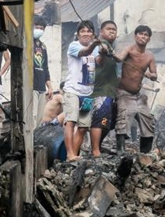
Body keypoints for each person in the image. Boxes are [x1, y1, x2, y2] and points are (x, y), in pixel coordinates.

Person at [113, 25, 158, 154]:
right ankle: (120, 152)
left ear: (149, 39)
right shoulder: (129, 49)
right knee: (124, 117)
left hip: (138, 94)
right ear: (135, 36)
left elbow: (155, 75)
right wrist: (112, 54)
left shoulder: (150, 56)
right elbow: (119, 58)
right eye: (140, 34)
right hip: (123, 92)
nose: (143, 36)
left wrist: (151, 75)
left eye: (146, 35)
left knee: (147, 119)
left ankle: (145, 154)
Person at [62, 20, 101, 161]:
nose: (86, 33)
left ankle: (74, 155)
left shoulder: (95, 48)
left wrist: (104, 49)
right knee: (70, 122)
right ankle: (69, 154)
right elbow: (85, 52)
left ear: (93, 34)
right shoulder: (74, 46)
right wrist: (95, 45)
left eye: (89, 31)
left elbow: (99, 61)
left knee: (84, 127)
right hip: (73, 90)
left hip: (88, 92)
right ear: (78, 34)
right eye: (82, 31)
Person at [90, 20, 120, 157]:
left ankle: (98, 147)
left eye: (114, 29)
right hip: (101, 91)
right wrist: (103, 53)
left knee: (108, 121)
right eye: (108, 28)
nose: (112, 31)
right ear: (101, 32)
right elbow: (98, 60)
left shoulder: (112, 49)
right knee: (99, 119)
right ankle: (95, 150)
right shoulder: (100, 45)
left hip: (110, 92)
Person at [32, 16, 54, 122]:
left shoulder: (43, 47)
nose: (39, 30)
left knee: (40, 118)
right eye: (36, 27)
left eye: (41, 28)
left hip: (41, 87)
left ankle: (35, 138)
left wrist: (49, 87)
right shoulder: (27, 43)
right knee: (32, 116)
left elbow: (45, 68)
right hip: (31, 87)